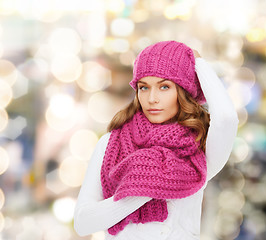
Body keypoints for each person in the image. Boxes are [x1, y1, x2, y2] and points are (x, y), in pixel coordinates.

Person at [74, 40, 239, 240]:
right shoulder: (111, 143)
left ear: (183, 91)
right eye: (144, 88)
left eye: (164, 87)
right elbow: (82, 223)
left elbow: (227, 118)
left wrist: (199, 64)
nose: (152, 98)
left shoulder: (198, 149)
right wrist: (143, 188)